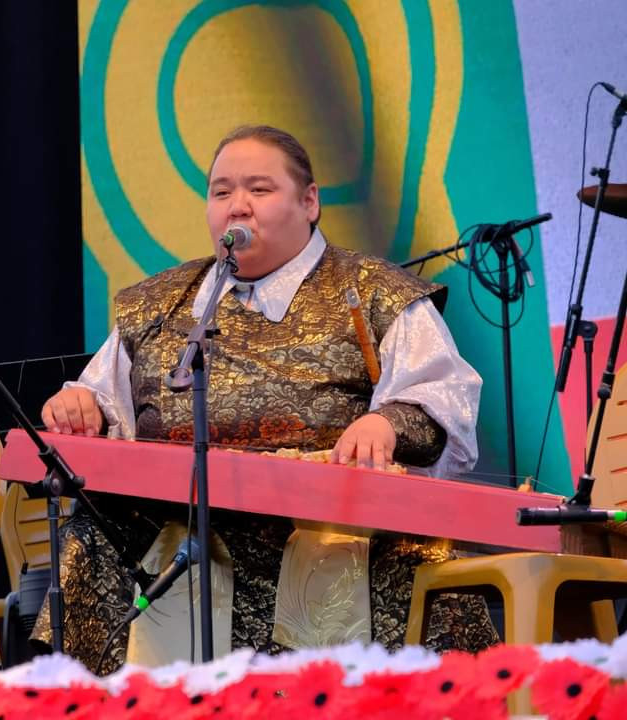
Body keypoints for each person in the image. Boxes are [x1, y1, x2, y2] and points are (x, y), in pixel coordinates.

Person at [35, 125, 494, 672]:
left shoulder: (372, 291)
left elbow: (443, 394)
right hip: (184, 534)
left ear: (310, 202)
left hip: (332, 533)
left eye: (259, 189)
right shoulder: (162, 303)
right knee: (91, 540)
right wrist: (79, 405)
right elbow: (100, 398)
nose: (238, 208)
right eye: (222, 192)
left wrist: (388, 425)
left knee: (418, 566)